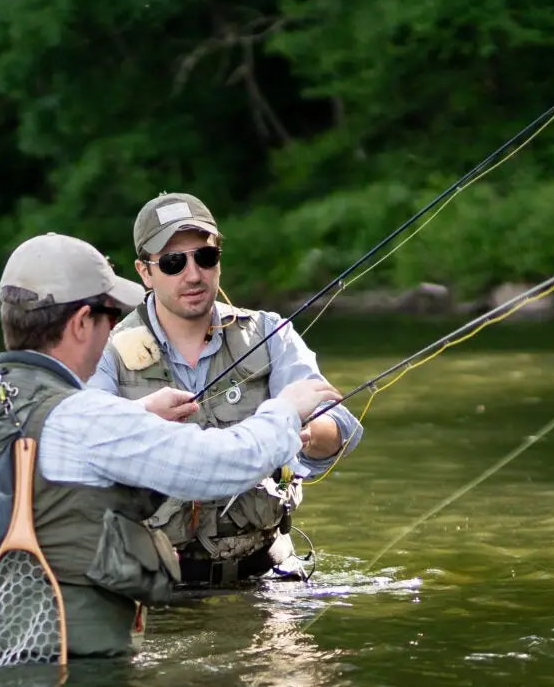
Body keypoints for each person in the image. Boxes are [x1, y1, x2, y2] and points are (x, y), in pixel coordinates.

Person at [0, 233, 336, 658]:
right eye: (109, 315)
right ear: (81, 323)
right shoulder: (87, 420)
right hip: (72, 684)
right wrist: (286, 411)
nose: (116, 328)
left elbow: (55, 453)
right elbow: (226, 463)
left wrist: (140, 413)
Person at [90, 192, 361, 587]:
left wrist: (304, 434)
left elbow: (340, 425)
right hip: (150, 588)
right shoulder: (106, 350)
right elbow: (78, 446)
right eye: (172, 262)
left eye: (205, 256)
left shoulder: (271, 332)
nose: (193, 274)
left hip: (265, 579)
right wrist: (139, 420)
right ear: (144, 272)